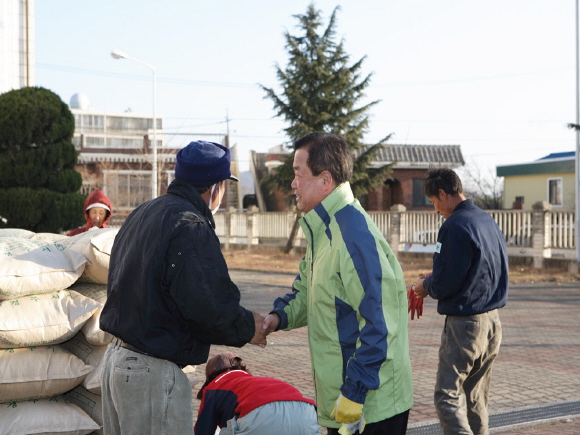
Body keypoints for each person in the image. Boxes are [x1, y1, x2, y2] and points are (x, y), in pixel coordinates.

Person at [99, 140, 267, 435]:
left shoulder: (144, 213)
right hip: (150, 372)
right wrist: (247, 327)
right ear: (215, 187)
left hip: (117, 362)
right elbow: (207, 306)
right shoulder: (190, 225)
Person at [262, 132, 413, 435]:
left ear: (325, 180)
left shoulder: (352, 234)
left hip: (369, 405)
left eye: (298, 173)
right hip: (345, 402)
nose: (293, 184)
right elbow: (307, 292)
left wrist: (355, 392)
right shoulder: (324, 229)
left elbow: (381, 321)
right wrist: (276, 318)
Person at [411, 166, 508, 435]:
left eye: (433, 202)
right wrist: (437, 277)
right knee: (475, 399)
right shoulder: (486, 220)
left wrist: (425, 285)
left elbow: (444, 283)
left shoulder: (453, 225)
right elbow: (481, 267)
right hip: (492, 324)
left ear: (442, 193)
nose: (435, 209)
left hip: (465, 327)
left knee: (446, 396)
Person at [195, 352, 320, 435]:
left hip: (261, 414)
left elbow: (203, 430)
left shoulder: (214, 386)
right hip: (307, 414)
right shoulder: (253, 381)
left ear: (211, 377)